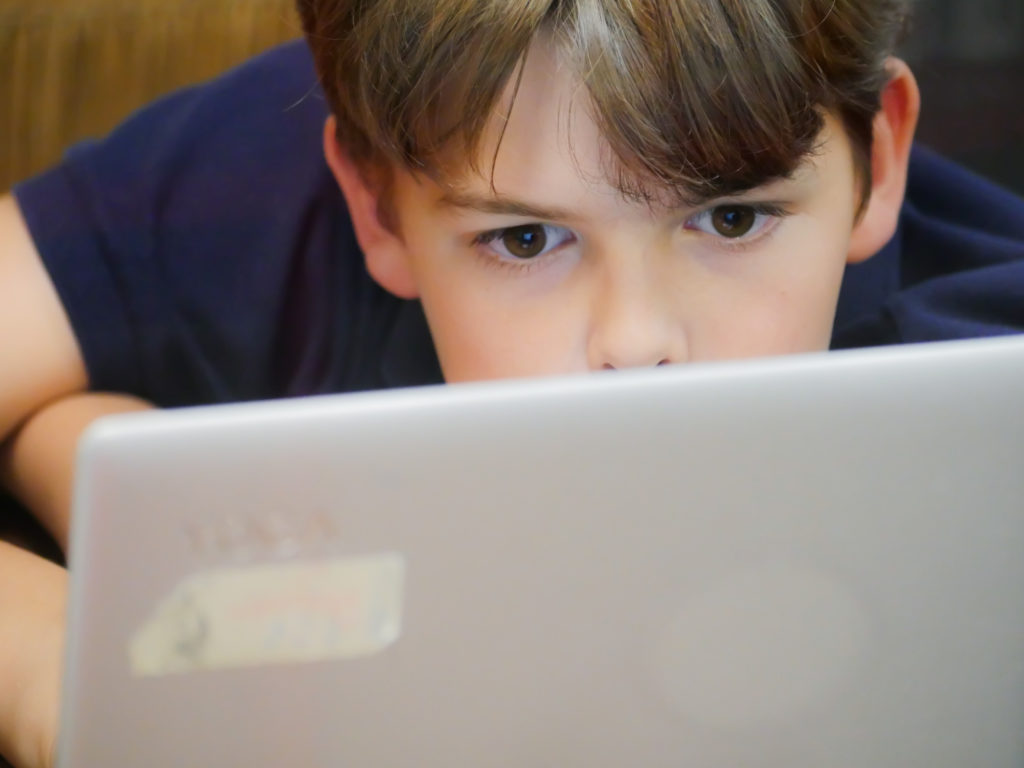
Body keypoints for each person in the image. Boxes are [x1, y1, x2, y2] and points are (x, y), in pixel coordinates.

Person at [1, 1, 1023, 766]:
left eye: (731, 218)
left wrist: (72, 453)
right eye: (525, 238)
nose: (635, 344)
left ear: (878, 157)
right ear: (375, 207)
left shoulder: (993, 381)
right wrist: (46, 658)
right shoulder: (318, 161)